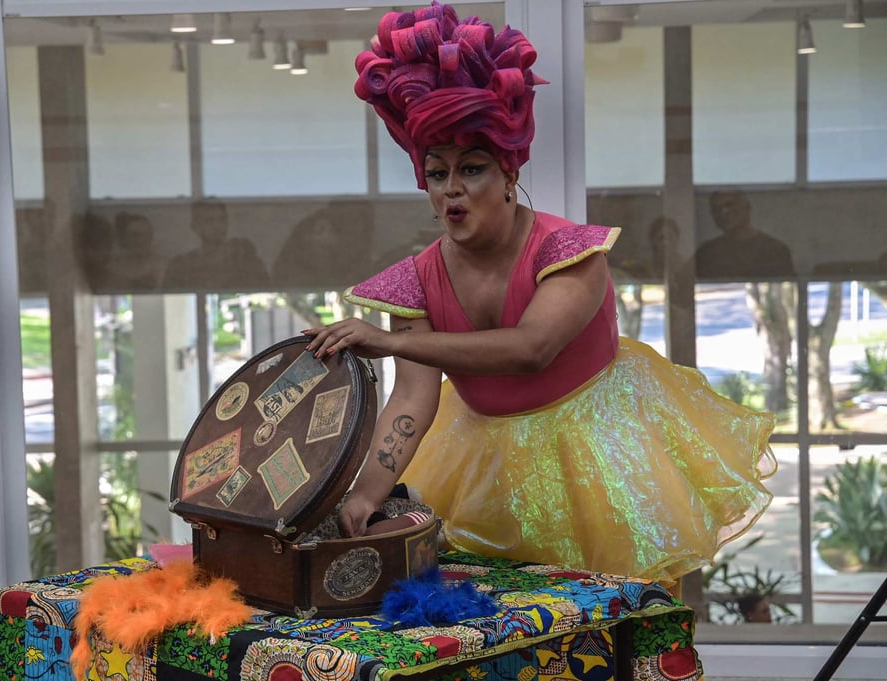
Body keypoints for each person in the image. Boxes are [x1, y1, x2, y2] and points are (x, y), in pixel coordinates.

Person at [302, 3, 776, 584]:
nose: (452, 190)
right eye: (436, 173)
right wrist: (364, 495)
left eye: (472, 169)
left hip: (602, 452)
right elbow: (412, 401)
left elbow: (532, 349)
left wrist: (385, 340)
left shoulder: (569, 252)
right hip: (484, 458)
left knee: (618, 624)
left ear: (508, 173)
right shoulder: (415, 279)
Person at [694, 190, 795, 280]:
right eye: (716, 208)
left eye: (729, 204)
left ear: (747, 207)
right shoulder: (706, 253)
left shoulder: (776, 250)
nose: (723, 212)